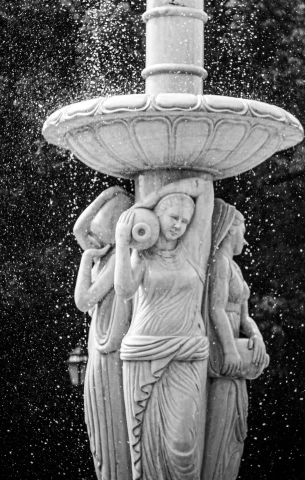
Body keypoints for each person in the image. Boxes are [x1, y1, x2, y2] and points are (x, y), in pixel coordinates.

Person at [114, 177, 214, 480]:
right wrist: (121, 240)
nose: (179, 226)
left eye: (185, 221)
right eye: (173, 217)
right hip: (144, 350)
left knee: (182, 443)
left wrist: (147, 201)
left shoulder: (194, 250)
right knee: (145, 443)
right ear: (158, 217)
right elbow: (124, 290)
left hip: (186, 352)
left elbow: (204, 187)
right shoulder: (142, 256)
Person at [202, 199, 269, 480]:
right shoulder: (219, 261)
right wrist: (230, 351)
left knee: (234, 425)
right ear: (230, 229)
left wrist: (256, 336)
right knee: (222, 419)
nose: (245, 236)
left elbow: (244, 317)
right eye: (242, 229)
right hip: (221, 346)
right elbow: (216, 308)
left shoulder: (235, 268)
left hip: (232, 338)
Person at [73, 186, 133, 480]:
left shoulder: (117, 259)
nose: (91, 238)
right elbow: (78, 229)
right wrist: (106, 195)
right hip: (101, 345)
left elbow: (83, 300)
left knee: (112, 423)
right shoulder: (105, 254)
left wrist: (86, 261)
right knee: (99, 423)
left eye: (100, 229)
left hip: (112, 350)